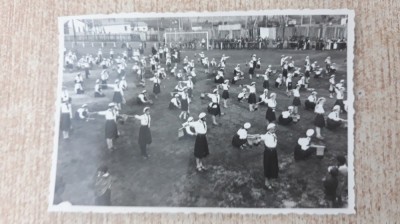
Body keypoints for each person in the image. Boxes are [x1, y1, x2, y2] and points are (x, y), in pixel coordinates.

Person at [259, 123, 278, 190]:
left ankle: (272, 180)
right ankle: (266, 182)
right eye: (273, 128)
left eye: (274, 128)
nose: (274, 129)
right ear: (269, 129)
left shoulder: (274, 135)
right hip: (268, 153)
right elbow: (259, 137)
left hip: (273, 152)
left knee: (274, 166)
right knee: (267, 166)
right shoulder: (266, 136)